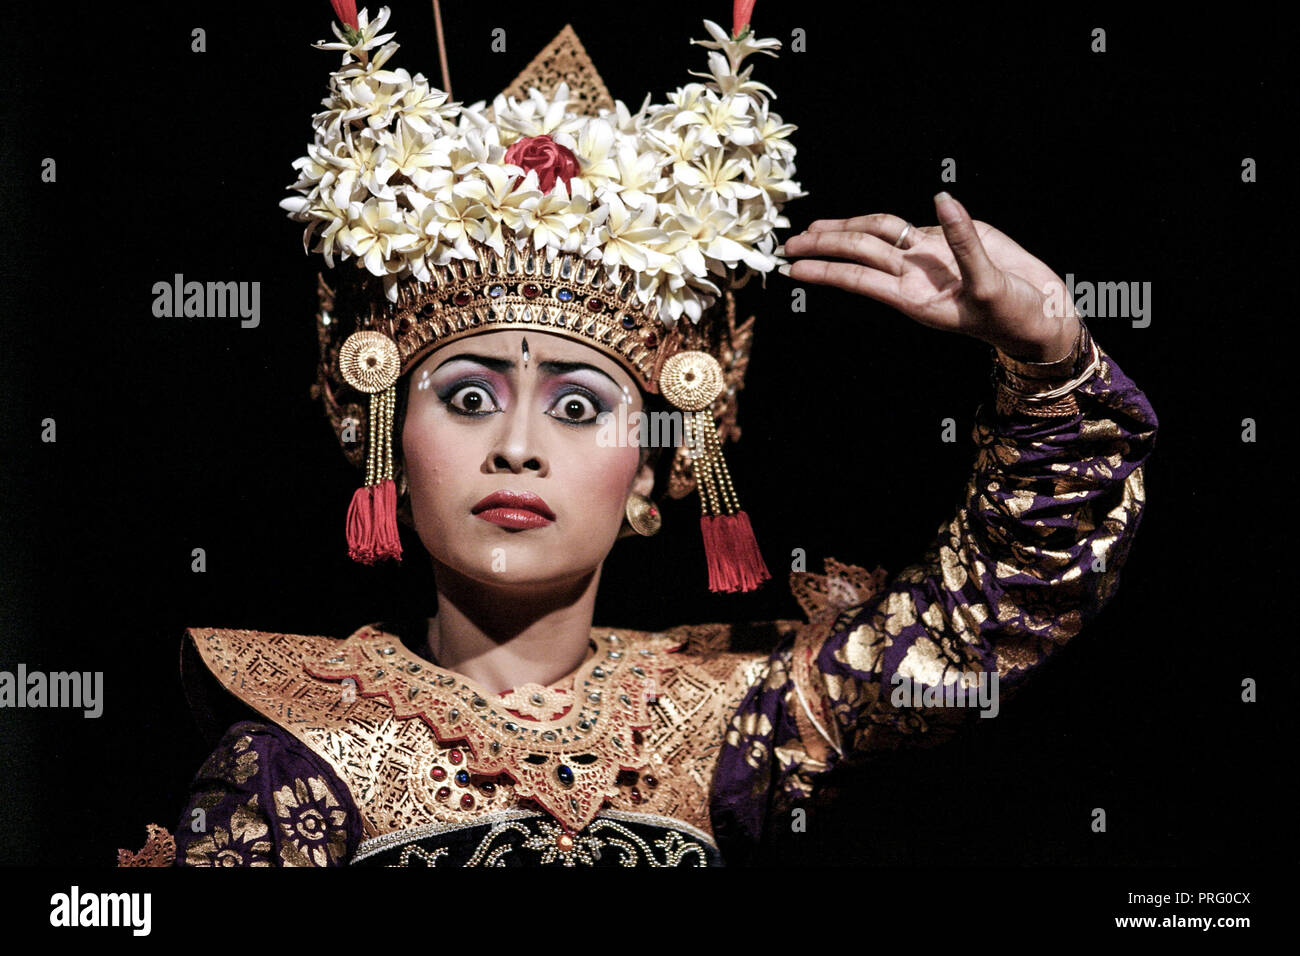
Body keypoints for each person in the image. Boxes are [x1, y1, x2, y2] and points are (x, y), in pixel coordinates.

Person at [116, 2, 1156, 868]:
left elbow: (1001, 605)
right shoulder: (297, 761)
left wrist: (1051, 361)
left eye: (577, 406)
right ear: (379, 426)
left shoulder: (731, 722)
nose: (517, 446)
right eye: (469, 397)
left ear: (657, 461)